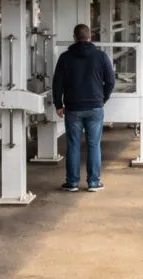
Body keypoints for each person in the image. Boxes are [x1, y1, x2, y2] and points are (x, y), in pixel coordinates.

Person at [53, 24, 114, 192]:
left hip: (73, 108)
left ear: (74, 38)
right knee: (93, 145)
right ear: (90, 36)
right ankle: (93, 182)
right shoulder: (101, 56)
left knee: (73, 145)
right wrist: (103, 98)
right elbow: (110, 81)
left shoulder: (65, 57)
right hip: (95, 107)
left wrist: (58, 104)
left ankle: (72, 183)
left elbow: (57, 83)